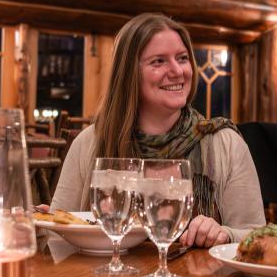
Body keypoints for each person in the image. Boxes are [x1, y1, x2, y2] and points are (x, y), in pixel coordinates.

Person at [51, 13, 265, 247]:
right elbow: (56, 232)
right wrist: (52, 226)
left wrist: (225, 234)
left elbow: (257, 236)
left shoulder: (225, 144)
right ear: (129, 74)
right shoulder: (90, 142)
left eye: (182, 58)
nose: (177, 71)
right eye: (159, 61)